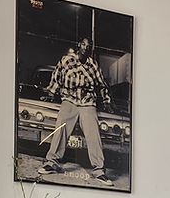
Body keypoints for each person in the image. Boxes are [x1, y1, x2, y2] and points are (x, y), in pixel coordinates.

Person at [38, 37, 114, 185]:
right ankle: (52, 162)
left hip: (87, 102)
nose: (86, 47)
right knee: (61, 127)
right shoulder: (66, 60)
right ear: (79, 45)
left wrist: (107, 101)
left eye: (89, 46)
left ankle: (99, 170)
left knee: (93, 133)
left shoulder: (93, 65)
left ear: (91, 48)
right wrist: (51, 93)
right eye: (84, 44)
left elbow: (102, 85)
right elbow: (56, 77)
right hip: (70, 99)